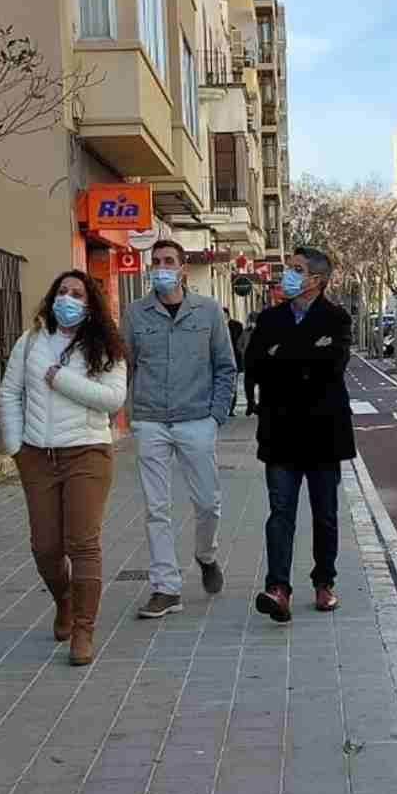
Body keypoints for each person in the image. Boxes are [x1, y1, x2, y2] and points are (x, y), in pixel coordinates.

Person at [0, 271, 127, 666]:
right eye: (62, 292)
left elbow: (113, 400)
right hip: (38, 455)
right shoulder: (32, 341)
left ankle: (84, 630)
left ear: (91, 306)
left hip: (87, 452)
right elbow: (9, 393)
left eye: (77, 294)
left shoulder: (106, 347)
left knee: (83, 543)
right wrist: (16, 447)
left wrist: (60, 379)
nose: (67, 299)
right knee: (45, 547)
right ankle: (65, 600)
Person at [124, 239, 238, 619]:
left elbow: (226, 366)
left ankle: (206, 555)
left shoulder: (207, 312)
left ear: (183, 268)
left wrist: (216, 416)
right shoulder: (135, 314)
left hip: (196, 420)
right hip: (150, 421)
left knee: (208, 502)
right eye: (155, 261)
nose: (161, 267)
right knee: (157, 508)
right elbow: (125, 366)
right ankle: (165, 588)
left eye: (168, 261)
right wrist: (128, 413)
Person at [246, 246, 354, 622]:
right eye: (288, 268)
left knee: (325, 514)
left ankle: (324, 582)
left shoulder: (337, 318)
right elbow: (256, 366)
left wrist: (283, 356)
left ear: (317, 281)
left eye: (296, 270)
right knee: (281, 512)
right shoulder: (270, 317)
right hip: (280, 433)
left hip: (324, 434)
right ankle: (278, 589)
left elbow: (332, 366)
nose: (286, 275)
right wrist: (304, 354)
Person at [225, 307, 244, 418]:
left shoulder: (236, 326)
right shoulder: (216, 326)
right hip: (220, 360)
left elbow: (240, 343)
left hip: (234, 360)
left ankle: (231, 408)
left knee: (233, 385)